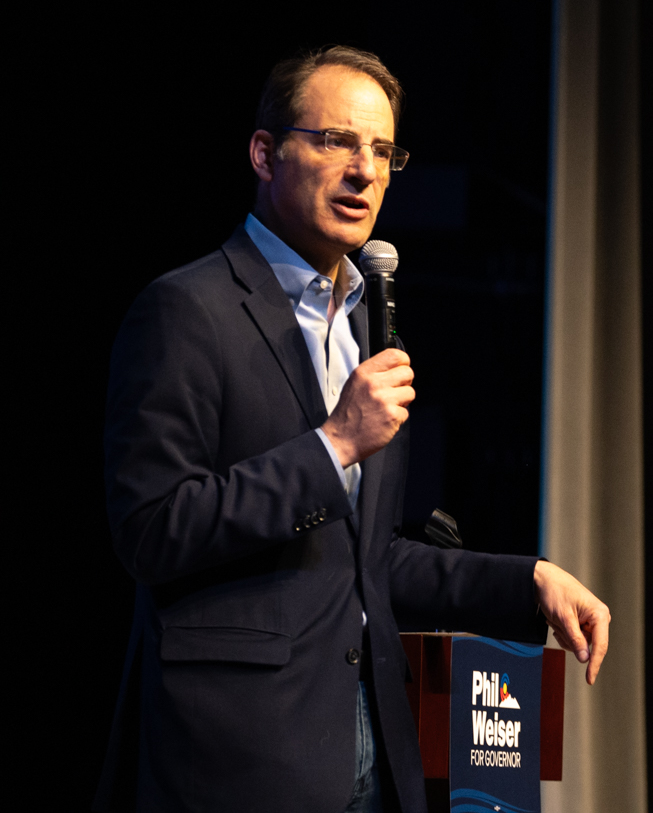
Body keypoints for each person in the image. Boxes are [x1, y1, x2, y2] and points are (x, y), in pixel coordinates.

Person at [95, 46, 609, 813]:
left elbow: (363, 561)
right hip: (241, 754)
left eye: (382, 150)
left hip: (373, 746)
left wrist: (524, 580)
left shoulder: (370, 320)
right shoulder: (187, 311)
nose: (365, 171)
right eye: (335, 140)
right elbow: (150, 529)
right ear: (265, 153)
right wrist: (333, 444)